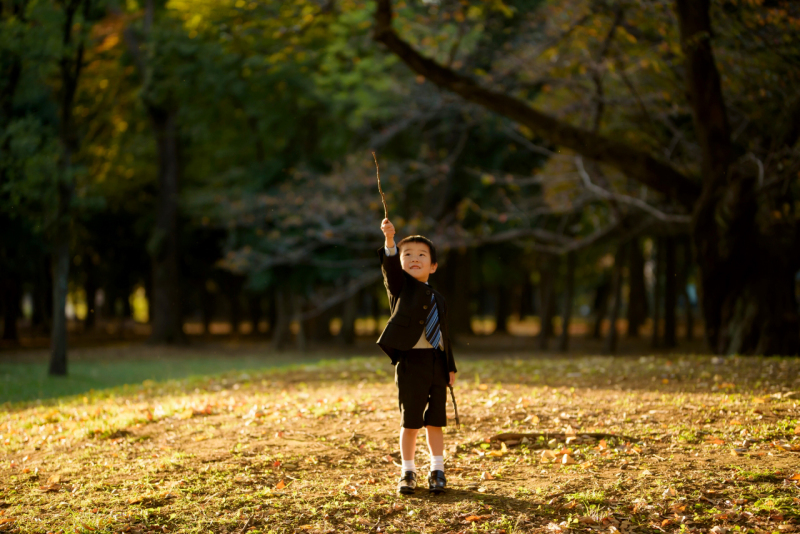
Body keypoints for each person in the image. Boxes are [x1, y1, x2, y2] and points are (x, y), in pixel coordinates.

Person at [376, 217, 457, 495]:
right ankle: (407, 471)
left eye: (422, 255)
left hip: (436, 363)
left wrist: (450, 367)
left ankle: (437, 470)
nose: (414, 258)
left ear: (433, 265)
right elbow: (389, 270)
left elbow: (445, 337)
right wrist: (390, 242)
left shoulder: (440, 299)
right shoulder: (400, 290)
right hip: (411, 363)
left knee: (436, 420)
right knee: (410, 420)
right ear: (400, 263)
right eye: (407, 254)